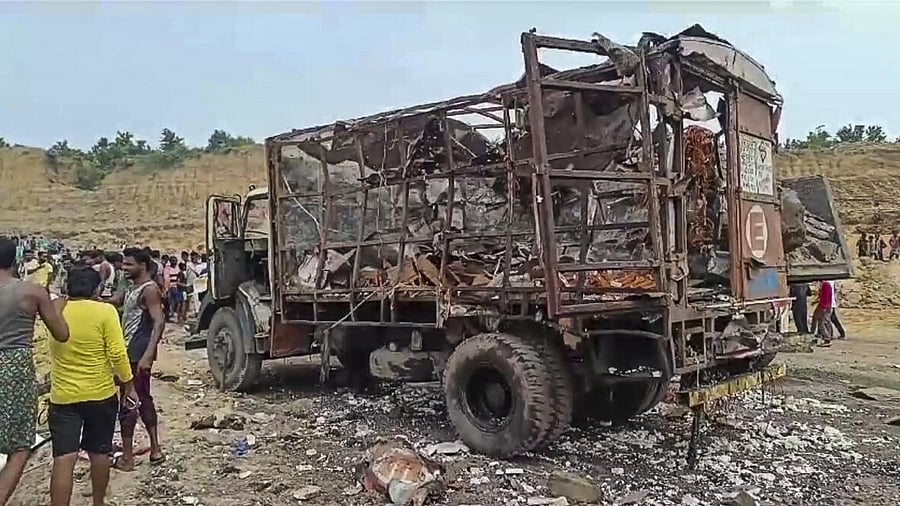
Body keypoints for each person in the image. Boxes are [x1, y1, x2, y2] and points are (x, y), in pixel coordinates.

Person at [48, 267, 139, 506]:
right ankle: (98, 502)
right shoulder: (105, 311)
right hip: (100, 394)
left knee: (63, 460)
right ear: (98, 288)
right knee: (100, 452)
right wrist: (128, 385)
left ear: (68, 287)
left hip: (63, 396)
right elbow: (118, 353)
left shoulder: (56, 311)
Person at [0, 238, 69, 505]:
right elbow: (62, 334)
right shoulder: (33, 292)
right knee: (20, 445)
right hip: (15, 369)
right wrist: (59, 307)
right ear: (16, 261)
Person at [108, 247, 166, 470]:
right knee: (142, 398)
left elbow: (159, 322)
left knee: (129, 402)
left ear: (142, 266)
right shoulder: (134, 288)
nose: (124, 268)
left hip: (136, 353)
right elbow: (117, 300)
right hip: (131, 352)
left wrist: (149, 354)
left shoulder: (149, 290)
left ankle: (128, 457)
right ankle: (155, 450)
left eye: (129, 264)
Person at [812, 279, 836, 346]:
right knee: (826, 322)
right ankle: (828, 337)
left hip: (825, 307)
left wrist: (823, 307)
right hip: (827, 306)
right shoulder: (826, 285)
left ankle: (827, 339)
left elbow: (825, 297)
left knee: (821, 324)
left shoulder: (825, 285)